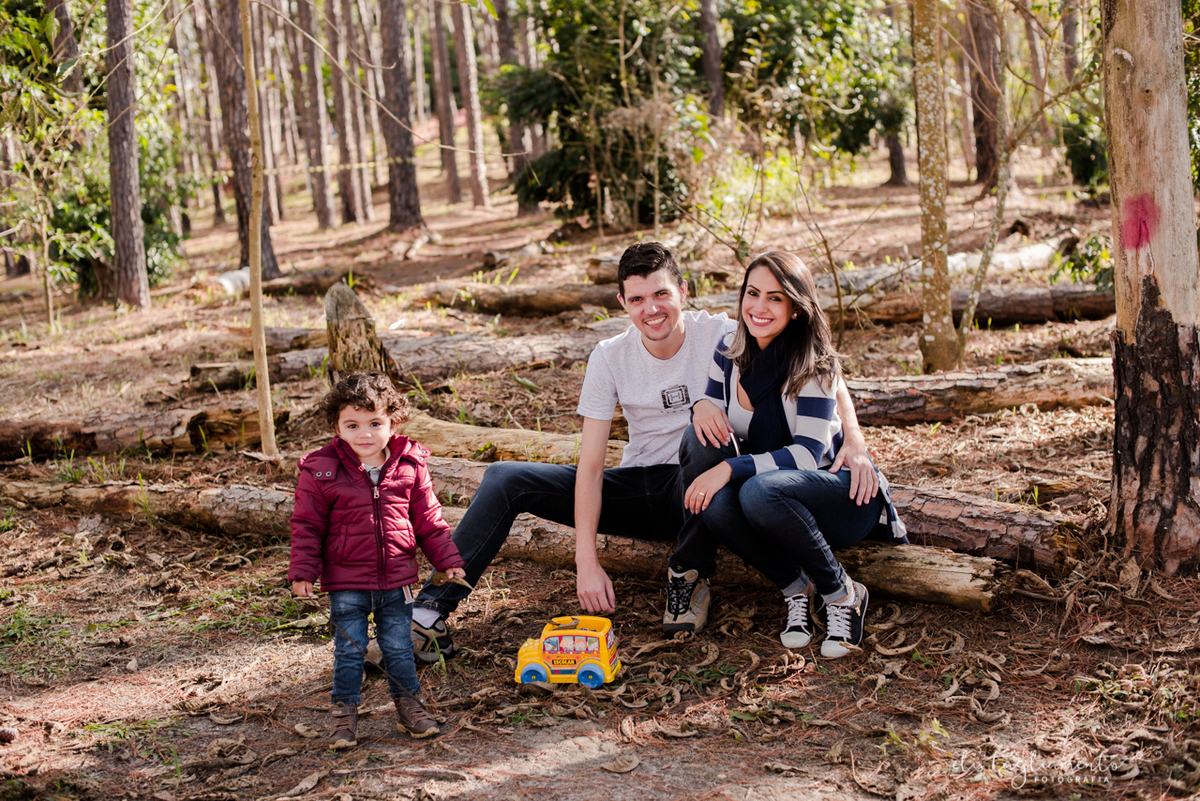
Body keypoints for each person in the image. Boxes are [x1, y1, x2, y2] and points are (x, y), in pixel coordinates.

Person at [410, 243, 878, 662]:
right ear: (622, 303)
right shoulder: (609, 356)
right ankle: (428, 612)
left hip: (712, 490)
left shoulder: (723, 332)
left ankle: (689, 572)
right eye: (636, 300)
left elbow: (818, 365)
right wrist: (586, 562)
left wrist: (853, 442)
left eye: (661, 295)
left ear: (683, 291)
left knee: (699, 437)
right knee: (505, 478)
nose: (651, 310)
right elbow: (591, 467)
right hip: (648, 489)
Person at [682, 251, 907, 658]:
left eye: (775, 298)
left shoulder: (814, 365)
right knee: (718, 505)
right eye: (753, 293)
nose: (759, 307)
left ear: (796, 309)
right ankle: (795, 587)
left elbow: (808, 454)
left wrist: (730, 468)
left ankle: (842, 594)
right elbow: (712, 413)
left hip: (837, 493)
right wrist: (700, 405)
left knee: (756, 491)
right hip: (773, 500)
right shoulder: (728, 355)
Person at [289, 372, 466, 747]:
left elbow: (429, 521)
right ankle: (344, 717)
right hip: (346, 583)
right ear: (336, 427)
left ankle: (410, 708)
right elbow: (306, 525)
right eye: (352, 425)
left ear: (393, 423)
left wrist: (447, 559)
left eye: (374, 423)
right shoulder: (321, 470)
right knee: (349, 653)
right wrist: (303, 572)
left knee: (400, 649)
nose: (364, 434)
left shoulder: (409, 465)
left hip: (395, 581)